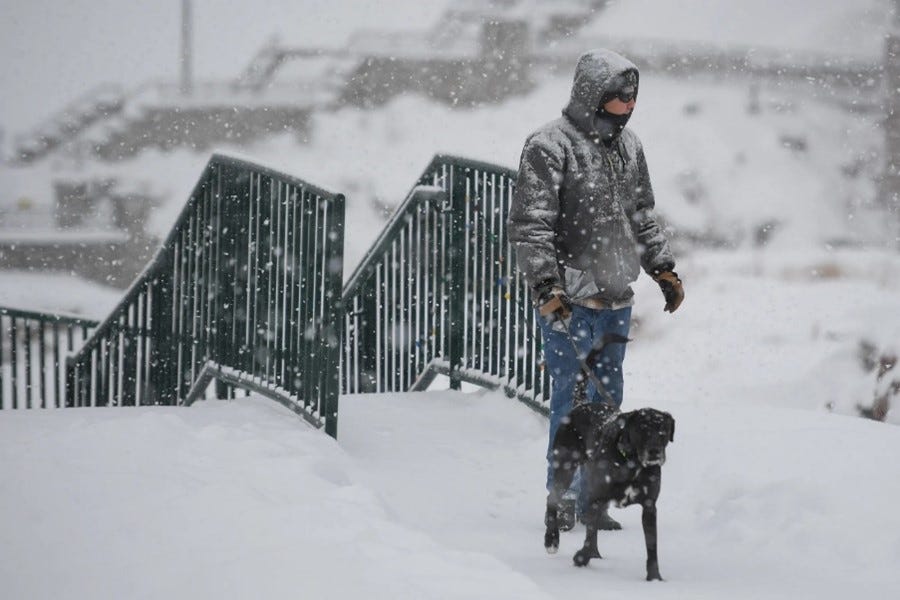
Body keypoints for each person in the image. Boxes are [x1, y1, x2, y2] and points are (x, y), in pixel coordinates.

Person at [507, 49, 684, 531]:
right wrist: (547, 285)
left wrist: (663, 268)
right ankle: (559, 499)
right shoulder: (548, 147)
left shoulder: (630, 149)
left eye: (632, 99)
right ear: (592, 96)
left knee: (608, 408)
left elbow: (642, 214)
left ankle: (592, 500)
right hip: (568, 302)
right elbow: (531, 226)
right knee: (571, 404)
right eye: (617, 99)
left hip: (615, 301)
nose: (627, 108)